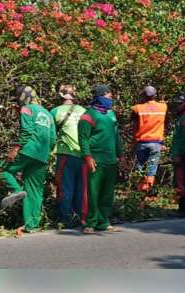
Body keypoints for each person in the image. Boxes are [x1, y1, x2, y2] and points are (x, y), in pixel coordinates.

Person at [0, 85, 57, 233]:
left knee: (4, 171)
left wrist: (16, 148)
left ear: (24, 97)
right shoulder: (48, 114)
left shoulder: (26, 109)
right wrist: (45, 152)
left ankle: (17, 190)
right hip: (42, 155)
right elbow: (52, 139)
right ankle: (32, 225)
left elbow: (26, 131)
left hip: (28, 150)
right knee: (35, 189)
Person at [79, 85, 124, 234]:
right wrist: (87, 157)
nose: (111, 99)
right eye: (108, 96)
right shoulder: (88, 116)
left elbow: (117, 136)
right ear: (99, 97)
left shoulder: (111, 115)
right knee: (92, 192)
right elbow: (83, 139)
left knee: (107, 193)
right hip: (95, 159)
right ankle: (89, 223)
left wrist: (121, 154)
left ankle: (103, 222)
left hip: (110, 159)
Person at [50, 85, 87, 226]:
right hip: (83, 155)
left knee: (65, 186)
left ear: (61, 95)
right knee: (80, 187)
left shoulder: (55, 111)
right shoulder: (84, 111)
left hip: (66, 154)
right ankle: (79, 216)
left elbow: (51, 134)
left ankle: (65, 218)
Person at [131, 85, 168, 193]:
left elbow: (134, 126)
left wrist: (133, 142)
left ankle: (139, 195)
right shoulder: (163, 107)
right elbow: (164, 106)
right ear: (155, 95)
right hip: (156, 144)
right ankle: (146, 195)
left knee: (140, 169)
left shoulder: (137, 108)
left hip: (142, 143)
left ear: (144, 95)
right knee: (151, 171)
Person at [170, 93, 185, 215]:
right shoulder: (182, 118)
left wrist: (179, 154)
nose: (177, 106)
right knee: (181, 181)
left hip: (183, 156)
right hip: (181, 155)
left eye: (180, 104)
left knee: (183, 182)